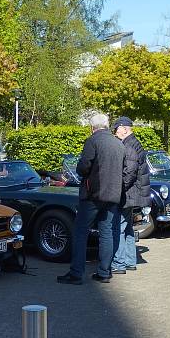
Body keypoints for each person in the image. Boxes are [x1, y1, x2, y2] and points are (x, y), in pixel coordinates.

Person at [57, 113, 123, 285]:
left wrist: (80, 168)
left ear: (92, 127)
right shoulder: (118, 143)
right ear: (107, 125)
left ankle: (76, 273)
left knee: (80, 232)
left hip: (93, 195)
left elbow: (83, 167)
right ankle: (104, 272)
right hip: (113, 195)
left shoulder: (92, 141)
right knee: (106, 233)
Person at [111, 117, 151, 274]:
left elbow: (129, 173)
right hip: (135, 193)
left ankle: (119, 264)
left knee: (118, 228)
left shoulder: (128, 146)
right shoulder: (134, 143)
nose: (115, 133)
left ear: (124, 128)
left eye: (116, 129)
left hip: (128, 194)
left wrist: (118, 190)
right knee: (127, 228)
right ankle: (129, 261)